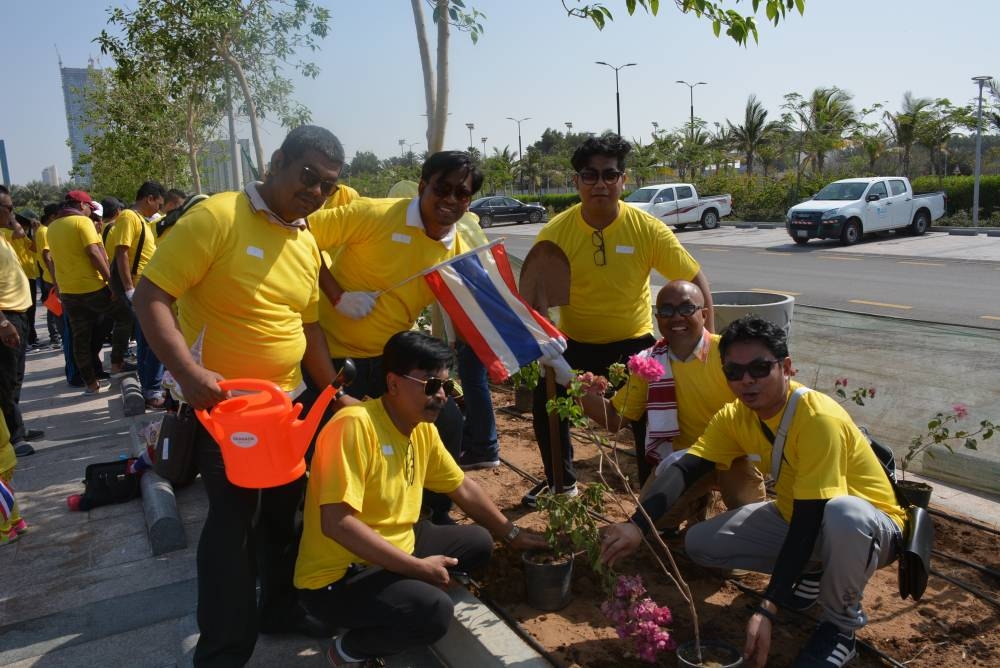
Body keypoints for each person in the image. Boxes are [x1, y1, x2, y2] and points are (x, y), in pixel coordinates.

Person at [134, 124, 350, 667]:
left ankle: (278, 609)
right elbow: (151, 294)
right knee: (234, 529)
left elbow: (310, 329)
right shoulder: (219, 216)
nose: (315, 192)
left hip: (286, 410)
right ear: (277, 161)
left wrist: (333, 394)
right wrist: (186, 372)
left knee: (282, 519)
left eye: (327, 185)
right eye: (307, 176)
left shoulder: (304, 240)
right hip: (222, 415)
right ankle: (223, 653)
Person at [600, 315, 907, 668]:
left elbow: (811, 519)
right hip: (799, 517)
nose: (747, 380)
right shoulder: (736, 416)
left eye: (760, 368)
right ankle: (812, 572)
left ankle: (839, 628)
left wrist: (767, 606)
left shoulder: (817, 418)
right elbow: (686, 468)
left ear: (786, 367)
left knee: (842, 515)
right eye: (734, 371)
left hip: (871, 529)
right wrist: (637, 524)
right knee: (701, 543)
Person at [295, 330, 546, 666]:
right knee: (434, 611)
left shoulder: (422, 428)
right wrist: (416, 568)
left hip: (396, 544)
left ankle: (397, 594)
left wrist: (512, 534)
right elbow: (337, 523)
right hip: (340, 575)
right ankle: (348, 651)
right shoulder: (354, 426)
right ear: (394, 383)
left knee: (479, 542)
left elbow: (463, 488)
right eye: (431, 385)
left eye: (447, 386)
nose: (442, 396)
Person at [524, 134, 713, 507]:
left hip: (633, 343)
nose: (600, 185)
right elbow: (533, 297)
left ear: (624, 180)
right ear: (576, 181)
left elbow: (693, 280)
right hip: (573, 343)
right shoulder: (555, 234)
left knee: (655, 413)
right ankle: (561, 483)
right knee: (546, 405)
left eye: (610, 175)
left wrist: (709, 344)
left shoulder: (646, 229)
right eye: (590, 175)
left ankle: (655, 495)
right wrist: (544, 344)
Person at [306, 151, 487, 523]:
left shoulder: (455, 251)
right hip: (333, 356)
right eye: (442, 189)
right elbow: (300, 233)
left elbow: (480, 307)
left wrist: (542, 349)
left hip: (394, 362)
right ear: (423, 187)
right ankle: (331, 527)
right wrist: (337, 294)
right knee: (333, 444)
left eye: (462, 193)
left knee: (447, 421)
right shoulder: (373, 214)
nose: (451, 200)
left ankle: (429, 516)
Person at [576, 280, 764, 525]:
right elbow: (615, 418)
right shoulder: (649, 362)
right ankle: (698, 499)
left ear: (704, 314)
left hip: (733, 455)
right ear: (657, 318)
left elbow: (762, 406)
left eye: (687, 309)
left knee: (747, 516)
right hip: (683, 461)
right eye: (666, 311)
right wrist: (580, 391)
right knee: (654, 519)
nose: (677, 318)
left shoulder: (727, 354)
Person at [46, 190, 134, 394]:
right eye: (89, 207)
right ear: (79, 205)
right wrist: (111, 283)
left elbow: (53, 259)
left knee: (80, 337)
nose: (90, 212)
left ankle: (90, 384)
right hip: (92, 287)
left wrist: (58, 286)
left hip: (69, 292)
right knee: (125, 316)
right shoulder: (81, 222)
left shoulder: (52, 228)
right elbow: (94, 253)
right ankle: (116, 363)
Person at [106, 181, 166, 409]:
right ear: (149, 198)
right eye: (158, 204)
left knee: (145, 341)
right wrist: (130, 288)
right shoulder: (129, 217)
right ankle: (152, 390)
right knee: (155, 340)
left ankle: (149, 387)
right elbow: (122, 252)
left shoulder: (140, 220)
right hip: (139, 289)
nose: (158, 210)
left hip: (143, 288)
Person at [0, 187, 43, 457]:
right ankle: (12, 438)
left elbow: (22, 236)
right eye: (9, 208)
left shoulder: (4, 236)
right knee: (4, 381)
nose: (14, 214)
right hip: (6, 318)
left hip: (20, 315)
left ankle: (17, 427)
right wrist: (3, 324)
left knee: (15, 378)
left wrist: (12, 218)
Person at [34, 203, 63, 350]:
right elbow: (47, 255)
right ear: (52, 216)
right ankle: (55, 337)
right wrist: (55, 278)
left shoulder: (40, 230)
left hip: (47, 275)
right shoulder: (45, 231)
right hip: (51, 277)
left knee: (53, 309)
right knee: (56, 310)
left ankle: (55, 336)